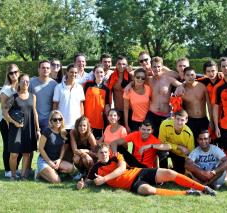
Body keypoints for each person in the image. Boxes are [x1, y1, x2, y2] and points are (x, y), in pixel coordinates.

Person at [76, 143, 216, 196]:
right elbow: (89, 181)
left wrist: (105, 179)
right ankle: (187, 193)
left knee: (170, 173)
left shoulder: (116, 156)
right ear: (98, 155)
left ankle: (203, 188)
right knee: (147, 191)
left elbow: (122, 168)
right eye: (101, 153)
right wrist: (82, 184)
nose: (104, 154)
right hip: (132, 185)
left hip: (138, 172)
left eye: (106, 152)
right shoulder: (95, 168)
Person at [4, 74, 40, 180]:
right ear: (19, 82)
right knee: (14, 154)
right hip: (16, 128)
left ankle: (23, 175)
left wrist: (38, 129)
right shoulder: (13, 97)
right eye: (23, 81)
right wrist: (14, 122)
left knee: (26, 153)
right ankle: (13, 175)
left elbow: (35, 112)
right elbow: (5, 113)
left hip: (28, 128)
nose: (26, 83)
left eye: (27, 81)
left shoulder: (33, 97)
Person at [53, 64, 85, 162]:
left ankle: (72, 169)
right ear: (67, 72)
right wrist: (55, 121)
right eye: (71, 72)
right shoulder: (59, 87)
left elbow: (81, 105)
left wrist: (82, 120)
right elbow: (55, 105)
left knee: (73, 149)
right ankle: (62, 169)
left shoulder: (79, 87)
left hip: (75, 124)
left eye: (75, 72)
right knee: (62, 148)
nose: (73, 74)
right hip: (62, 124)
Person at [146, 57, 182, 137]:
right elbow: (135, 78)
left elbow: (181, 84)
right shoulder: (149, 80)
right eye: (154, 67)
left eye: (159, 66)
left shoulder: (168, 79)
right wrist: (129, 85)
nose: (156, 69)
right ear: (151, 67)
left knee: (165, 140)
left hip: (165, 115)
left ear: (162, 67)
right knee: (150, 139)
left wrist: (178, 90)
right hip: (152, 114)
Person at [36, 110, 75, 183]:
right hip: (44, 160)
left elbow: (63, 147)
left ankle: (50, 172)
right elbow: (40, 149)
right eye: (55, 119)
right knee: (57, 181)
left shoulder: (63, 132)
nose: (58, 121)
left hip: (56, 160)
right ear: (51, 121)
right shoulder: (47, 131)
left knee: (71, 168)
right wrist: (49, 162)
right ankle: (40, 172)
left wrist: (59, 160)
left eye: (60, 119)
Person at [0, 64, 22, 178]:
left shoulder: (21, 85)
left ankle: (14, 168)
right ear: (8, 75)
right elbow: (4, 110)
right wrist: (10, 123)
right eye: (11, 73)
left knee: (19, 145)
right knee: (8, 145)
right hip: (5, 121)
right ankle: (8, 170)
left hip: (16, 120)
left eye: (15, 72)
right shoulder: (6, 89)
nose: (14, 75)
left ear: (19, 72)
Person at [180, 67, 212, 145]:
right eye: (187, 75)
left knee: (206, 144)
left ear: (195, 75)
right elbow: (179, 108)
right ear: (184, 76)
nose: (190, 77)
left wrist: (211, 121)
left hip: (203, 120)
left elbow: (209, 105)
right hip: (190, 121)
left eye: (192, 75)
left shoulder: (202, 87)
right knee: (191, 145)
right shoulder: (182, 90)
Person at [158, 109, 195, 174]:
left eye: (182, 120)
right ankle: (162, 173)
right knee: (162, 150)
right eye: (177, 119)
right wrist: (179, 147)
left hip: (179, 154)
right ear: (173, 117)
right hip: (167, 149)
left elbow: (190, 153)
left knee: (179, 172)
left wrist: (187, 169)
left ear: (186, 120)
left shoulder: (189, 134)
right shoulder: (165, 124)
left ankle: (174, 169)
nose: (179, 122)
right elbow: (161, 142)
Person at [29, 60, 57, 132]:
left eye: (48, 68)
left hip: (47, 121)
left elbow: (55, 103)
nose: (45, 69)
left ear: (50, 70)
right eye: (43, 68)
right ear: (39, 69)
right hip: (32, 119)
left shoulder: (54, 84)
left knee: (46, 142)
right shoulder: (31, 82)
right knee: (32, 142)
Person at [83, 64, 110, 139]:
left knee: (97, 143)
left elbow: (107, 105)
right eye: (97, 72)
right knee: (86, 141)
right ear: (94, 73)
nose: (99, 74)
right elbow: (81, 101)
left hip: (99, 120)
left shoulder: (106, 89)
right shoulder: (87, 85)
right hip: (86, 119)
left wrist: (108, 118)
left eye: (101, 72)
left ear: (104, 73)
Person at [106, 55, 133, 126]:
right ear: (116, 65)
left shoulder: (131, 76)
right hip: (117, 110)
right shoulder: (112, 77)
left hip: (130, 110)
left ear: (127, 65)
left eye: (124, 64)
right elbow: (108, 92)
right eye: (119, 64)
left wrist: (131, 72)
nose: (121, 66)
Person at [123, 68, 151, 133]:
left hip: (148, 121)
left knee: (147, 142)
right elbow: (126, 109)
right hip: (135, 121)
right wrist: (126, 125)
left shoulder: (148, 88)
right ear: (134, 77)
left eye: (143, 78)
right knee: (133, 142)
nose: (140, 79)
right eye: (138, 77)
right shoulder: (128, 91)